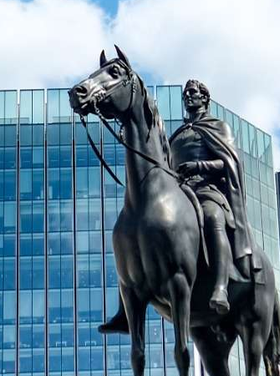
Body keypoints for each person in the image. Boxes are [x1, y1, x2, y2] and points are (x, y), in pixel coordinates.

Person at [100, 79, 256, 332]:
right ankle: (125, 311)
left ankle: (220, 287)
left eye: (194, 92)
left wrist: (198, 166)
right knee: (136, 231)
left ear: (205, 98)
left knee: (212, 217)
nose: (189, 96)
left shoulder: (218, 127)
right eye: (186, 93)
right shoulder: (177, 135)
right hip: (181, 191)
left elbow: (229, 163)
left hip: (208, 190)